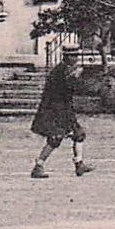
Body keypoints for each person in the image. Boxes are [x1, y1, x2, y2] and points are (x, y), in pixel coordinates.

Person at [30, 50, 94, 178]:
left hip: (64, 109)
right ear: (66, 57)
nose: (75, 58)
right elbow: (66, 88)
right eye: (72, 56)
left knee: (79, 134)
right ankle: (38, 166)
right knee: (55, 138)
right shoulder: (60, 71)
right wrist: (75, 78)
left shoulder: (66, 70)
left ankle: (79, 164)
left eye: (76, 55)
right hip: (54, 110)